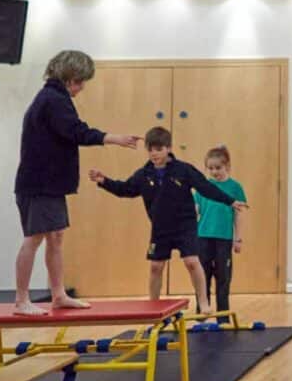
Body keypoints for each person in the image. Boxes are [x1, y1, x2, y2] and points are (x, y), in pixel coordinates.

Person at [14, 50, 140, 316]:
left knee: (56, 237)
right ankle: (21, 299)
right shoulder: (53, 99)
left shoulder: (54, 97)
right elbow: (75, 131)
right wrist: (111, 138)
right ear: (70, 77)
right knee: (34, 238)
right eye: (81, 81)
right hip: (39, 184)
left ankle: (58, 294)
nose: (82, 87)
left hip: (50, 184)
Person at [89, 127, 249, 315]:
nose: (154, 154)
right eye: (150, 150)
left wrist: (229, 200)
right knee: (156, 267)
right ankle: (153, 307)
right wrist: (104, 181)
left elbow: (206, 188)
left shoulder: (183, 170)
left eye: (159, 149)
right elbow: (125, 189)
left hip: (185, 225)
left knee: (191, 261)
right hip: (160, 228)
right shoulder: (144, 174)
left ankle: (203, 302)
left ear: (168, 148)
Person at [194, 145, 246, 317]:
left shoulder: (235, 188)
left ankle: (223, 315)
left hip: (224, 238)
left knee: (223, 277)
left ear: (227, 167)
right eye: (210, 168)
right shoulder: (203, 187)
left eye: (218, 168)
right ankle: (202, 311)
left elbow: (239, 215)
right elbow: (195, 211)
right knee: (203, 274)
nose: (214, 172)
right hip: (203, 237)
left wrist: (238, 239)